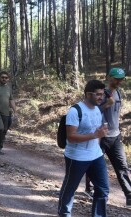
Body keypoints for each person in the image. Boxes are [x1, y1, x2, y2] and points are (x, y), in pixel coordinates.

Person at [58, 80, 109, 217]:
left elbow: (97, 132)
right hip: (77, 156)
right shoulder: (75, 111)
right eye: (98, 94)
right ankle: (64, 214)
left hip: (96, 155)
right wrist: (95, 135)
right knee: (70, 188)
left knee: (103, 189)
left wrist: (99, 139)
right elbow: (71, 137)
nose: (101, 98)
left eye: (102, 95)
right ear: (88, 94)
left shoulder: (98, 109)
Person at [84, 68, 130, 206]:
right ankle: (90, 189)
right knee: (94, 163)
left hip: (115, 136)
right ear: (109, 77)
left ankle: (129, 195)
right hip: (101, 137)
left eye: (121, 79)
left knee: (122, 166)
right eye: (116, 78)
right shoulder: (101, 93)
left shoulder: (119, 93)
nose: (119, 81)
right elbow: (91, 110)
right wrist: (106, 105)